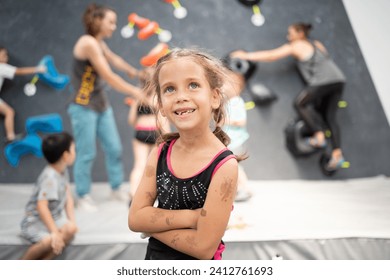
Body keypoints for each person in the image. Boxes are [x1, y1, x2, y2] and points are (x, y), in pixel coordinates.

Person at [128, 48, 241, 260]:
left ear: (215, 97)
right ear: (160, 105)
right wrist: (191, 218)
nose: (181, 97)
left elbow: (203, 247)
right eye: (170, 89)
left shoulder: (224, 165)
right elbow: (135, 218)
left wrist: (151, 227)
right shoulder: (161, 152)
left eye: (193, 85)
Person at [231, 22, 346, 172]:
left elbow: (271, 55)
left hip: (322, 81)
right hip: (338, 80)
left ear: (300, 33)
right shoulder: (316, 43)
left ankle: (319, 136)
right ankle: (337, 154)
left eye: (290, 33)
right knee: (330, 117)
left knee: (300, 104)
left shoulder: (296, 45)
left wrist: (244, 55)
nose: (288, 36)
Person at [67, 3, 143, 211]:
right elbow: (108, 75)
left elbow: (114, 60)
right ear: (98, 20)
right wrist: (135, 91)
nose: (114, 26)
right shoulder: (87, 43)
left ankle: (116, 187)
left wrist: (134, 72)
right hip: (83, 106)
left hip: (100, 104)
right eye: (110, 22)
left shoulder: (98, 42)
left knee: (115, 148)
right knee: (86, 152)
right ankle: (82, 195)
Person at [20, 132, 78, 260]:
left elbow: (68, 197)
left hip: (54, 217)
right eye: (74, 149)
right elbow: (42, 207)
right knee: (48, 241)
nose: (75, 152)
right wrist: (55, 232)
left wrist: (71, 222)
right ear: (65, 155)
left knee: (71, 229)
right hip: (34, 221)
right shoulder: (50, 178)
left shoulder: (62, 169)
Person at [127, 67, 170, 205]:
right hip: (155, 132)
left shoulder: (138, 97)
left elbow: (131, 120)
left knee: (139, 165)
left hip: (140, 131)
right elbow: (162, 120)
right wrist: (168, 136)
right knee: (155, 166)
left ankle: (133, 193)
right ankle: (155, 195)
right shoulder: (158, 98)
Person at [0, 46, 46, 144]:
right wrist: (38, 69)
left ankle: (10, 137)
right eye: (3, 55)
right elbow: (19, 71)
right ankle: (10, 137)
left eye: (6, 55)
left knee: (9, 112)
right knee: (9, 112)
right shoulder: (1, 67)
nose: (6, 57)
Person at [222, 69, 252, 202]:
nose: (223, 87)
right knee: (234, 166)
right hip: (230, 141)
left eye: (226, 84)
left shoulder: (237, 102)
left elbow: (241, 121)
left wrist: (226, 121)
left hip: (236, 141)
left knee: (235, 166)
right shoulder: (229, 102)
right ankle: (242, 188)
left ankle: (244, 189)